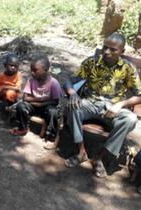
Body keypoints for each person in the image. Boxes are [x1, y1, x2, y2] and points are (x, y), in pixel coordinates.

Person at [64, 33, 141, 178]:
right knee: (72, 107)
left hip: (112, 108)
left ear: (122, 51)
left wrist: (121, 104)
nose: (107, 52)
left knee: (130, 119)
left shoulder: (128, 68)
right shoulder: (91, 62)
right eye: (105, 47)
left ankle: (99, 156)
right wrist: (72, 93)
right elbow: (69, 80)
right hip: (90, 103)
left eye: (113, 49)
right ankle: (81, 152)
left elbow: (140, 95)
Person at [9, 56, 63, 148]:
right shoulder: (31, 80)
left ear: (45, 70)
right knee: (21, 106)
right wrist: (42, 99)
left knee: (53, 112)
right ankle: (23, 128)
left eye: (35, 70)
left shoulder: (54, 83)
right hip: (33, 106)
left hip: (46, 107)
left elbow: (55, 101)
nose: (32, 73)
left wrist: (41, 103)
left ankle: (50, 136)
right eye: (31, 70)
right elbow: (25, 98)